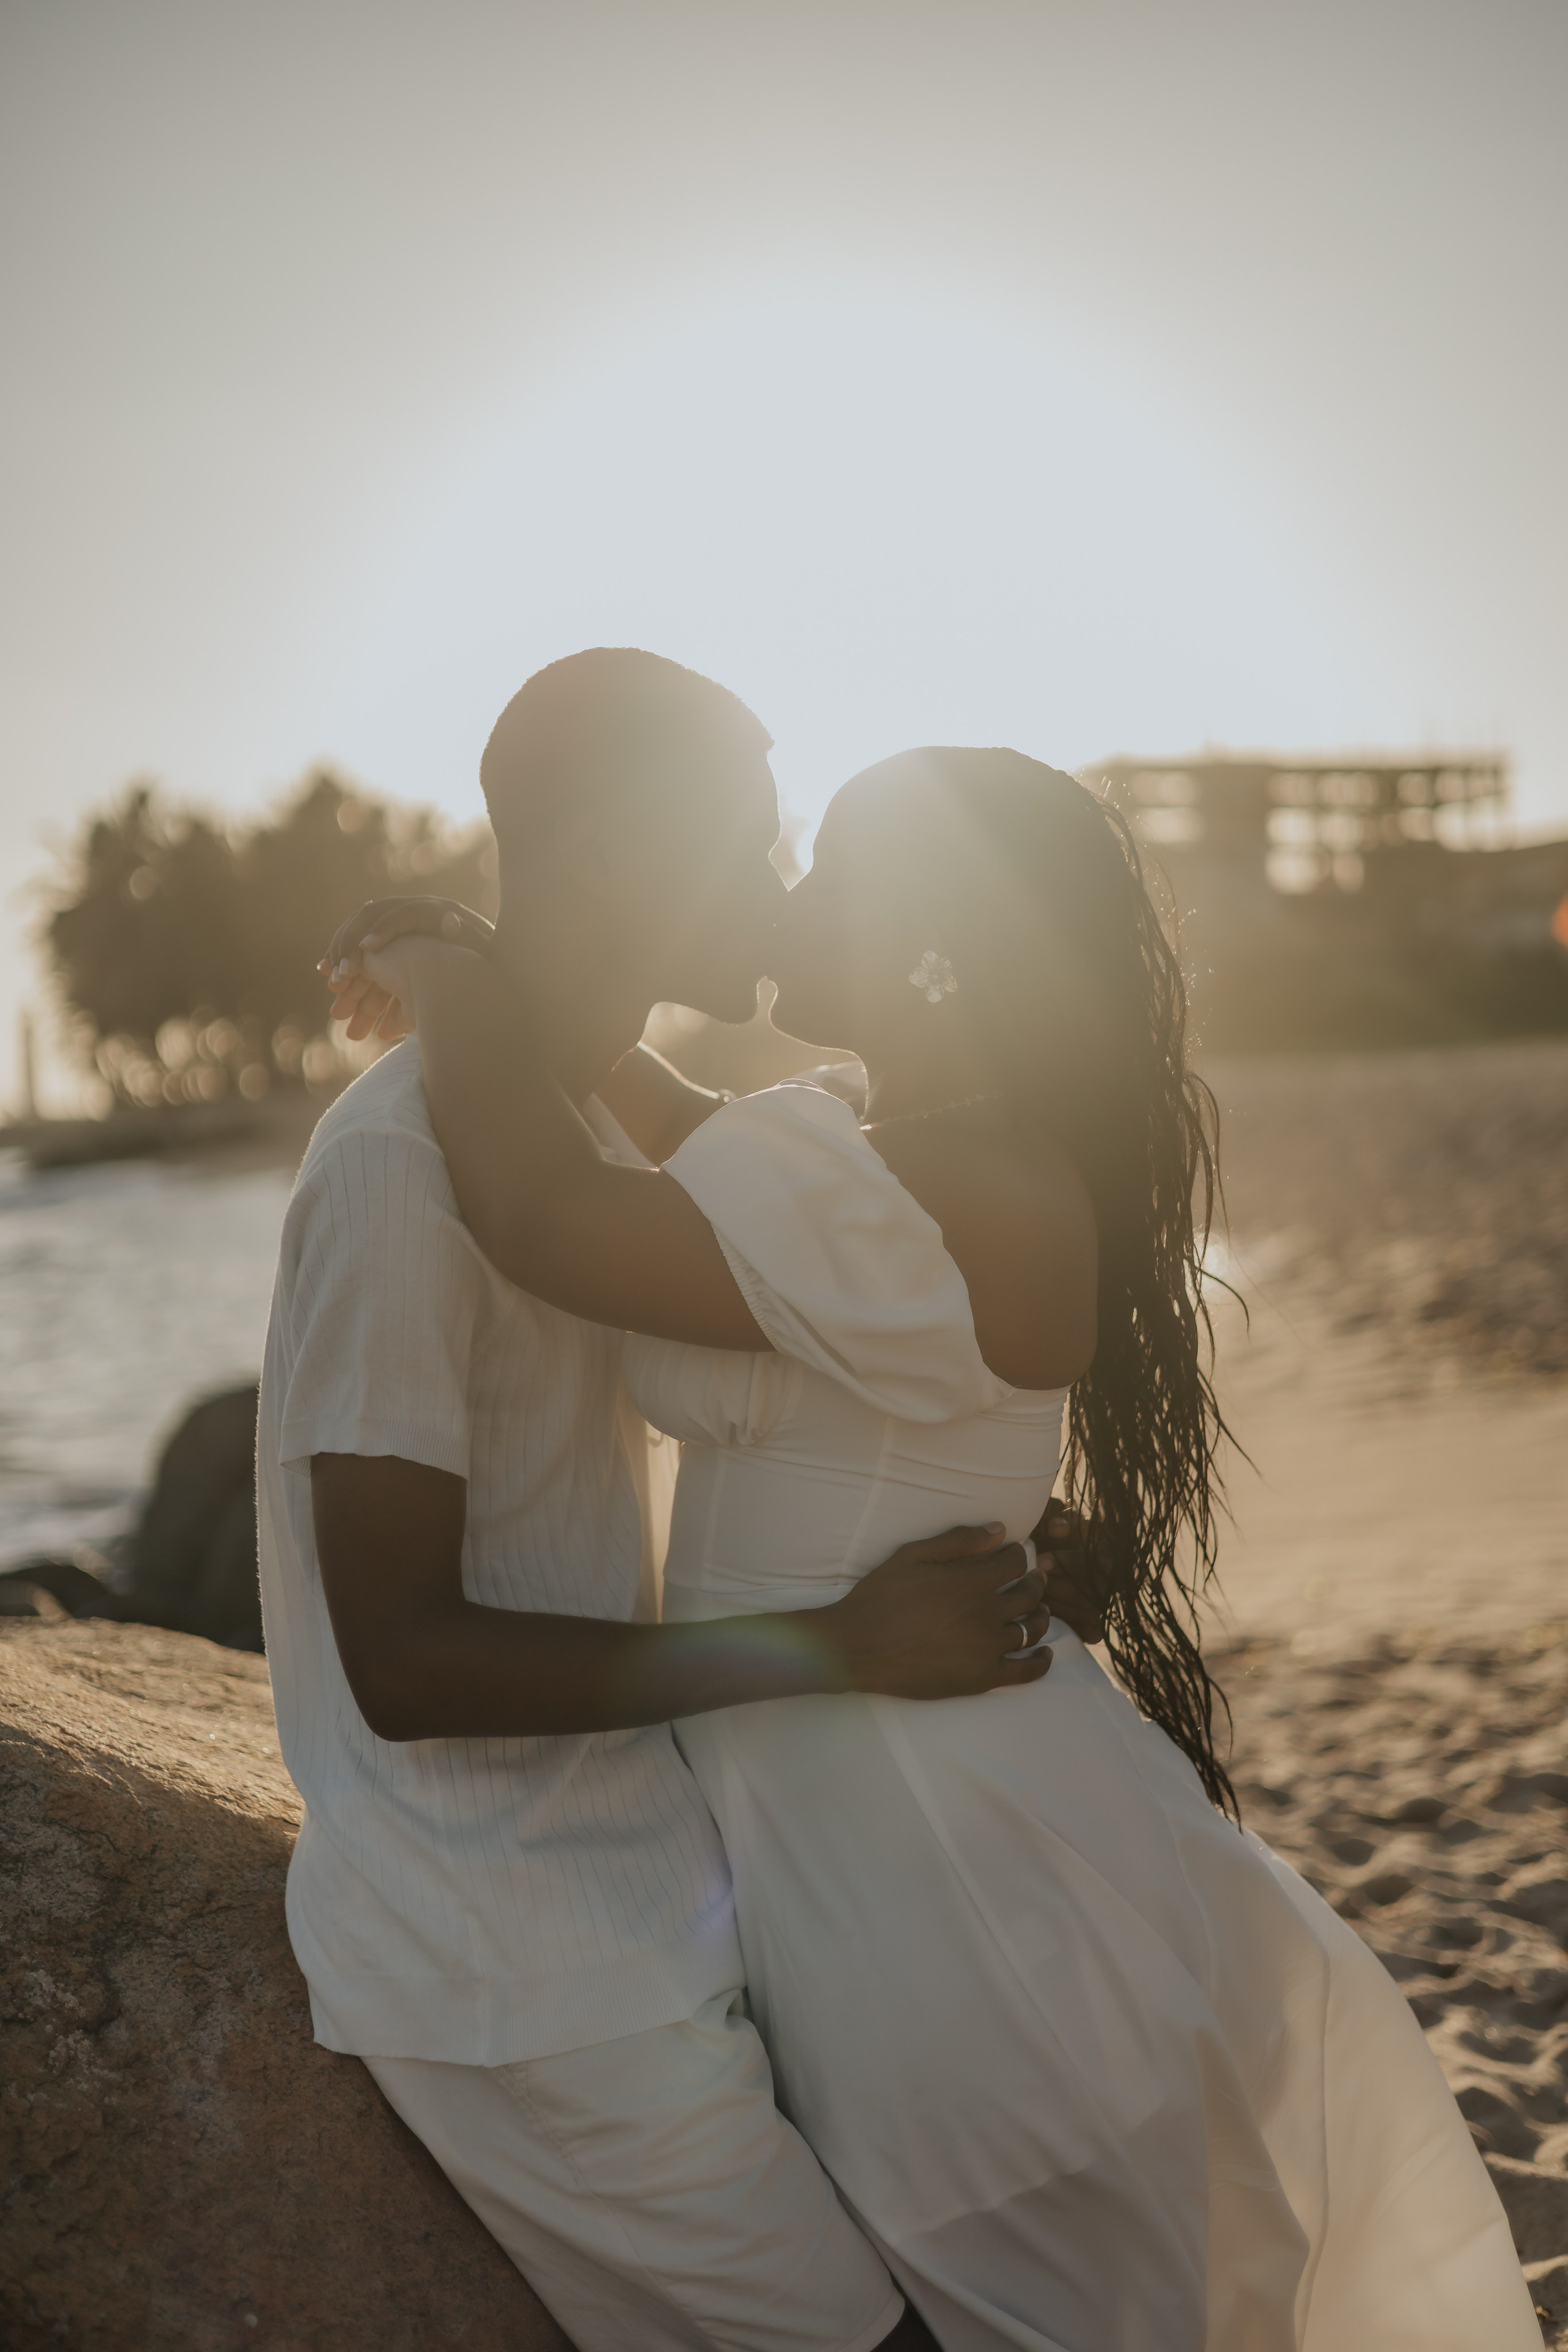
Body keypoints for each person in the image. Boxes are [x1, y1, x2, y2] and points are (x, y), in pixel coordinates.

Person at [345, 736, 1539, 2351]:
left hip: (948, 1863)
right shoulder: (873, 1145)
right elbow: (699, 1132)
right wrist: (509, 967)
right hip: (876, 1829)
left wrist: (446, 974)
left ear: (933, 942)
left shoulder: (975, 1177)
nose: (786, 895)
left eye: (830, 869)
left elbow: (547, 1214)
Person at [258, 647, 1086, 2352]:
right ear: (620, 852)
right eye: (753, 843)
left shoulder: (571, 1133)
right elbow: (401, 1661)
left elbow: (873, 1337)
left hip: (654, 1886)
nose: (783, 892)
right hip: (517, 1960)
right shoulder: (406, 1165)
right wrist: (837, 1642)